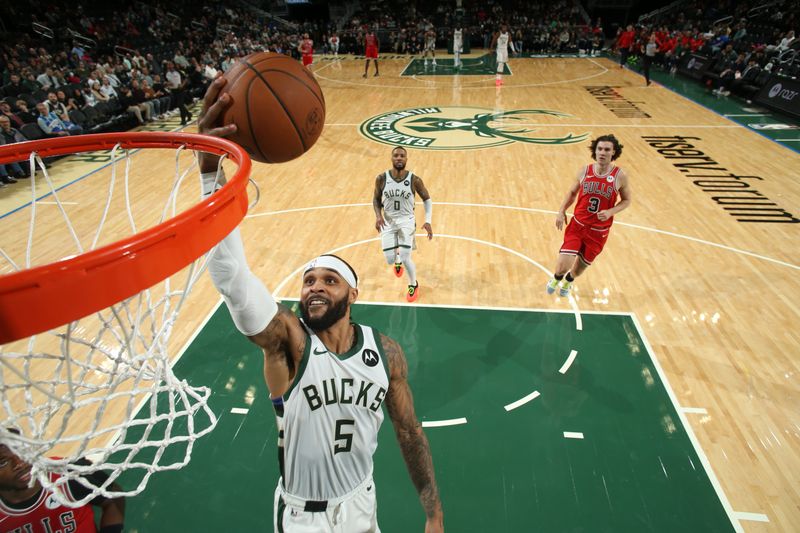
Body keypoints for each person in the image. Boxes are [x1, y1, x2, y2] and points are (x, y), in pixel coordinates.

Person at [198, 76, 444, 532]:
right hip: (303, 516)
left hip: (363, 505)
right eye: (309, 280)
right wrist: (210, 174)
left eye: (330, 280)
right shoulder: (287, 344)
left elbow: (409, 433)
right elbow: (232, 278)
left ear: (353, 293)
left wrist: (433, 512)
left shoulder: (385, 352)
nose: (315, 287)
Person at [546, 134, 632, 297]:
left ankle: (569, 281)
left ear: (613, 152)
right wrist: (561, 210)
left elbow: (627, 200)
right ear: (595, 151)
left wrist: (610, 212)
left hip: (599, 232)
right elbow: (572, 192)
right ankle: (557, 278)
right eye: (599, 149)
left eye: (607, 149)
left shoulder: (620, 176)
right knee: (562, 266)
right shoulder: (585, 170)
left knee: (578, 269)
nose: (602, 152)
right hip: (578, 225)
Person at [0, 431, 126, 532]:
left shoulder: (65, 473)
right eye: (3, 462)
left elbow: (113, 498)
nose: (20, 464)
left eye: (22, 452)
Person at [372, 147, 434, 303]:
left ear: (406, 159)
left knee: (407, 258)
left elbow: (427, 199)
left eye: (402, 156)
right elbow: (376, 199)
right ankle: (397, 258)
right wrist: (378, 216)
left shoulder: (414, 180)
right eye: (396, 155)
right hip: (388, 221)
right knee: (390, 259)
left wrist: (428, 220)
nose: (399, 158)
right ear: (391, 158)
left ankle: (413, 284)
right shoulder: (381, 178)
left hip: (406, 220)